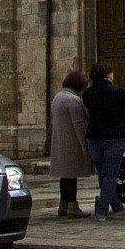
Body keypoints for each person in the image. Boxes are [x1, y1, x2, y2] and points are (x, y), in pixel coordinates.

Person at [83, 61, 125, 219]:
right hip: (114, 138)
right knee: (110, 175)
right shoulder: (118, 92)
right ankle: (101, 211)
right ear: (109, 74)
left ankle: (117, 207)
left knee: (103, 174)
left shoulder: (88, 94)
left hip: (94, 138)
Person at [48, 70, 89, 217]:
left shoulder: (57, 97)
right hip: (71, 143)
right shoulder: (73, 100)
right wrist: (83, 144)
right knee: (72, 175)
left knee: (64, 176)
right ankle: (72, 206)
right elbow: (78, 124)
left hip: (60, 142)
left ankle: (63, 204)